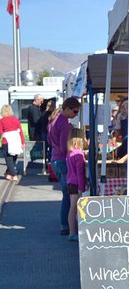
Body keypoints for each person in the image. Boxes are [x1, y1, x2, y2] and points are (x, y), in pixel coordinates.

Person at [48, 97, 81, 236]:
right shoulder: (64, 125)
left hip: (54, 159)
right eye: (75, 111)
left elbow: (50, 141)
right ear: (67, 109)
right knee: (69, 195)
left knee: (66, 194)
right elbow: (64, 147)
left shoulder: (52, 121)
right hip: (62, 161)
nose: (75, 115)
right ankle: (66, 225)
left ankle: (65, 224)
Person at [65, 129, 87, 242]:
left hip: (70, 181)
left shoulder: (70, 152)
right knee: (74, 208)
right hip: (76, 183)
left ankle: (72, 231)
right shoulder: (78, 154)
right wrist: (81, 187)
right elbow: (80, 173)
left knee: (72, 208)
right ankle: (72, 232)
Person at [1, 104, 25, 181]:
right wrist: (23, 142)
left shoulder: (1, 121)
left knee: (8, 159)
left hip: (6, 141)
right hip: (16, 141)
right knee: (14, 158)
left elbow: (0, 132)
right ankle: (8, 173)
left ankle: (13, 175)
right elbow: (21, 131)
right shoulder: (16, 120)